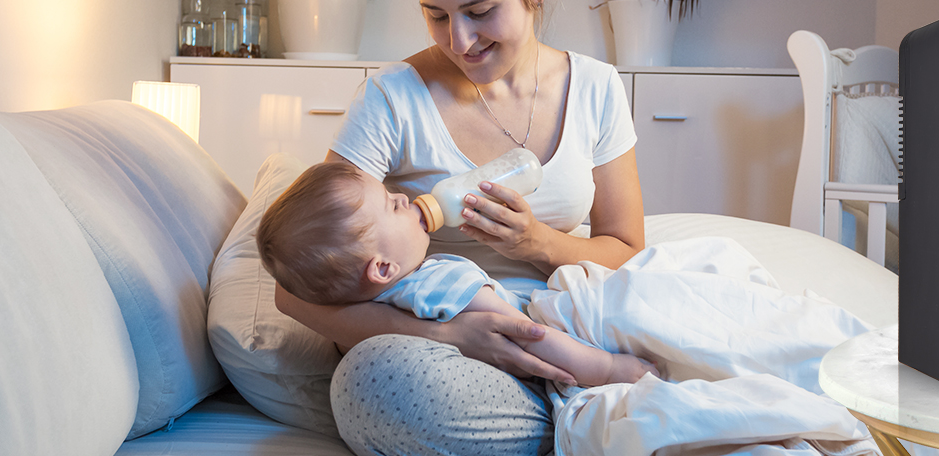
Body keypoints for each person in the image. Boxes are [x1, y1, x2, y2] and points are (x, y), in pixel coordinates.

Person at [273, 0, 644, 456]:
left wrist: (538, 243)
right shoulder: (393, 98)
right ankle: (598, 414)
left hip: (564, 324)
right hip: (442, 353)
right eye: (436, 15)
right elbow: (293, 295)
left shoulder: (595, 87)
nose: (460, 40)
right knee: (372, 384)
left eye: (479, 11)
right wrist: (450, 333)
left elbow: (625, 246)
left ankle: (587, 401)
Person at [257, 160, 658, 388]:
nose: (401, 195)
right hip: (565, 346)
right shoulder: (438, 284)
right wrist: (608, 370)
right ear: (382, 268)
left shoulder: (383, 299)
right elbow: (529, 336)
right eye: (392, 206)